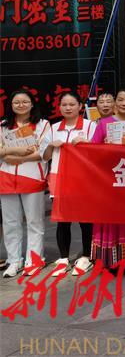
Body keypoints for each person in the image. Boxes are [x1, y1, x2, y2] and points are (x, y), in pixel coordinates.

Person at [43, 91, 97, 277]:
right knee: (63, 221)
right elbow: (45, 156)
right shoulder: (54, 128)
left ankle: (86, 257)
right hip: (59, 179)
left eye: (72, 104)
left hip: (83, 179)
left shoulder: (90, 126)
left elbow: (98, 152)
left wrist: (87, 142)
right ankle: (63, 258)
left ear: (80, 106)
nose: (68, 108)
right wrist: (51, 146)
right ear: (59, 107)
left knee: (85, 220)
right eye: (64, 105)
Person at [0, 91, 52, 277]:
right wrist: (17, 152)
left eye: (25, 101)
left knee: (34, 222)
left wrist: (13, 156)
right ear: (11, 105)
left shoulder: (43, 124)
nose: (20, 105)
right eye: (16, 102)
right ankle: (14, 260)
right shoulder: (3, 125)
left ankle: (35, 260)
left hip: (32, 177)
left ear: (32, 104)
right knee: (10, 223)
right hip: (6, 178)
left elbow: (43, 152)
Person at [89, 86, 125, 268]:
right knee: (110, 219)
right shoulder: (104, 124)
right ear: (115, 102)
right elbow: (92, 151)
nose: (124, 103)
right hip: (110, 178)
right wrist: (104, 147)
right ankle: (110, 261)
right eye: (120, 100)